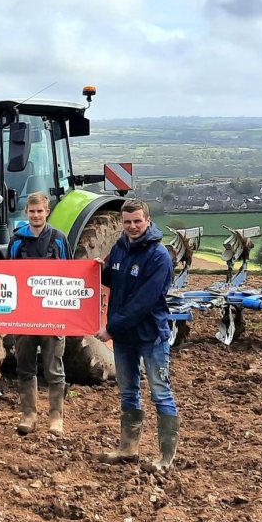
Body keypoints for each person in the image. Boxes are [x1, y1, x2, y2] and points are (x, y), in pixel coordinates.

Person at [94, 199, 180, 469]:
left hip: (150, 334)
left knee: (160, 392)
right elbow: (115, 281)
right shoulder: (120, 248)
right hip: (125, 338)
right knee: (128, 392)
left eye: (137, 221)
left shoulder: (159, 256)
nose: (132, 226)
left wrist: (110, 328)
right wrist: (99, 270)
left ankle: (165, 458)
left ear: (148, 220)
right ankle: (128, 449)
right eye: (127, 221)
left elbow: (143, 302)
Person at [7, 192, 72, 436]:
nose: (36, 216)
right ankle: (28, 414)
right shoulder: (16, 241)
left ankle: (56, 417)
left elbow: (70, 276)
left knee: (54, 366)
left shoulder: (59, 240)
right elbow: (8, 276)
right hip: (24, 314)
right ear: (27, 213)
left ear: (47, 212)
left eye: (40, 211)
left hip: (52, 314)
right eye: (32, 212)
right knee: (25, 366)